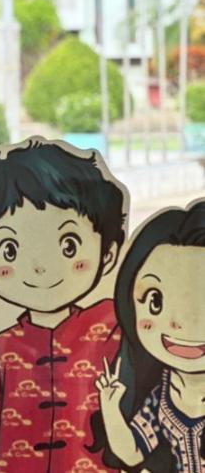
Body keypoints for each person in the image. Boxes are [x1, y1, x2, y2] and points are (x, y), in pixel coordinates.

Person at [0, 138, 127, 472]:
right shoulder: (2, 342)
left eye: (69, 245)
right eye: (10, 250)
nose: (40, 267)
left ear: (108, 254)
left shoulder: (112, 324)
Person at [90, 199, 205, 473]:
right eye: (155, 301)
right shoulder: (162, 396)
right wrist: (110, 406)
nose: (180, 324)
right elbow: (131, 454)